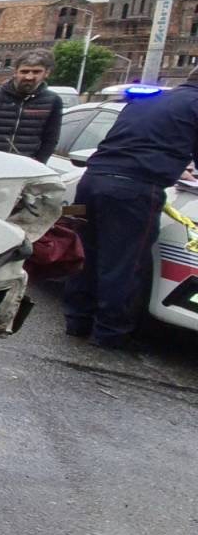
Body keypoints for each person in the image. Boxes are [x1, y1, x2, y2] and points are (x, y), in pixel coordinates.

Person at [64, 67, 198, 348]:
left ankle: (77, 321)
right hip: (132, 191)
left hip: (90, 183)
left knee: (85, 252)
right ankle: (110, 333)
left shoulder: (149, 100)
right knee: (124, 263)